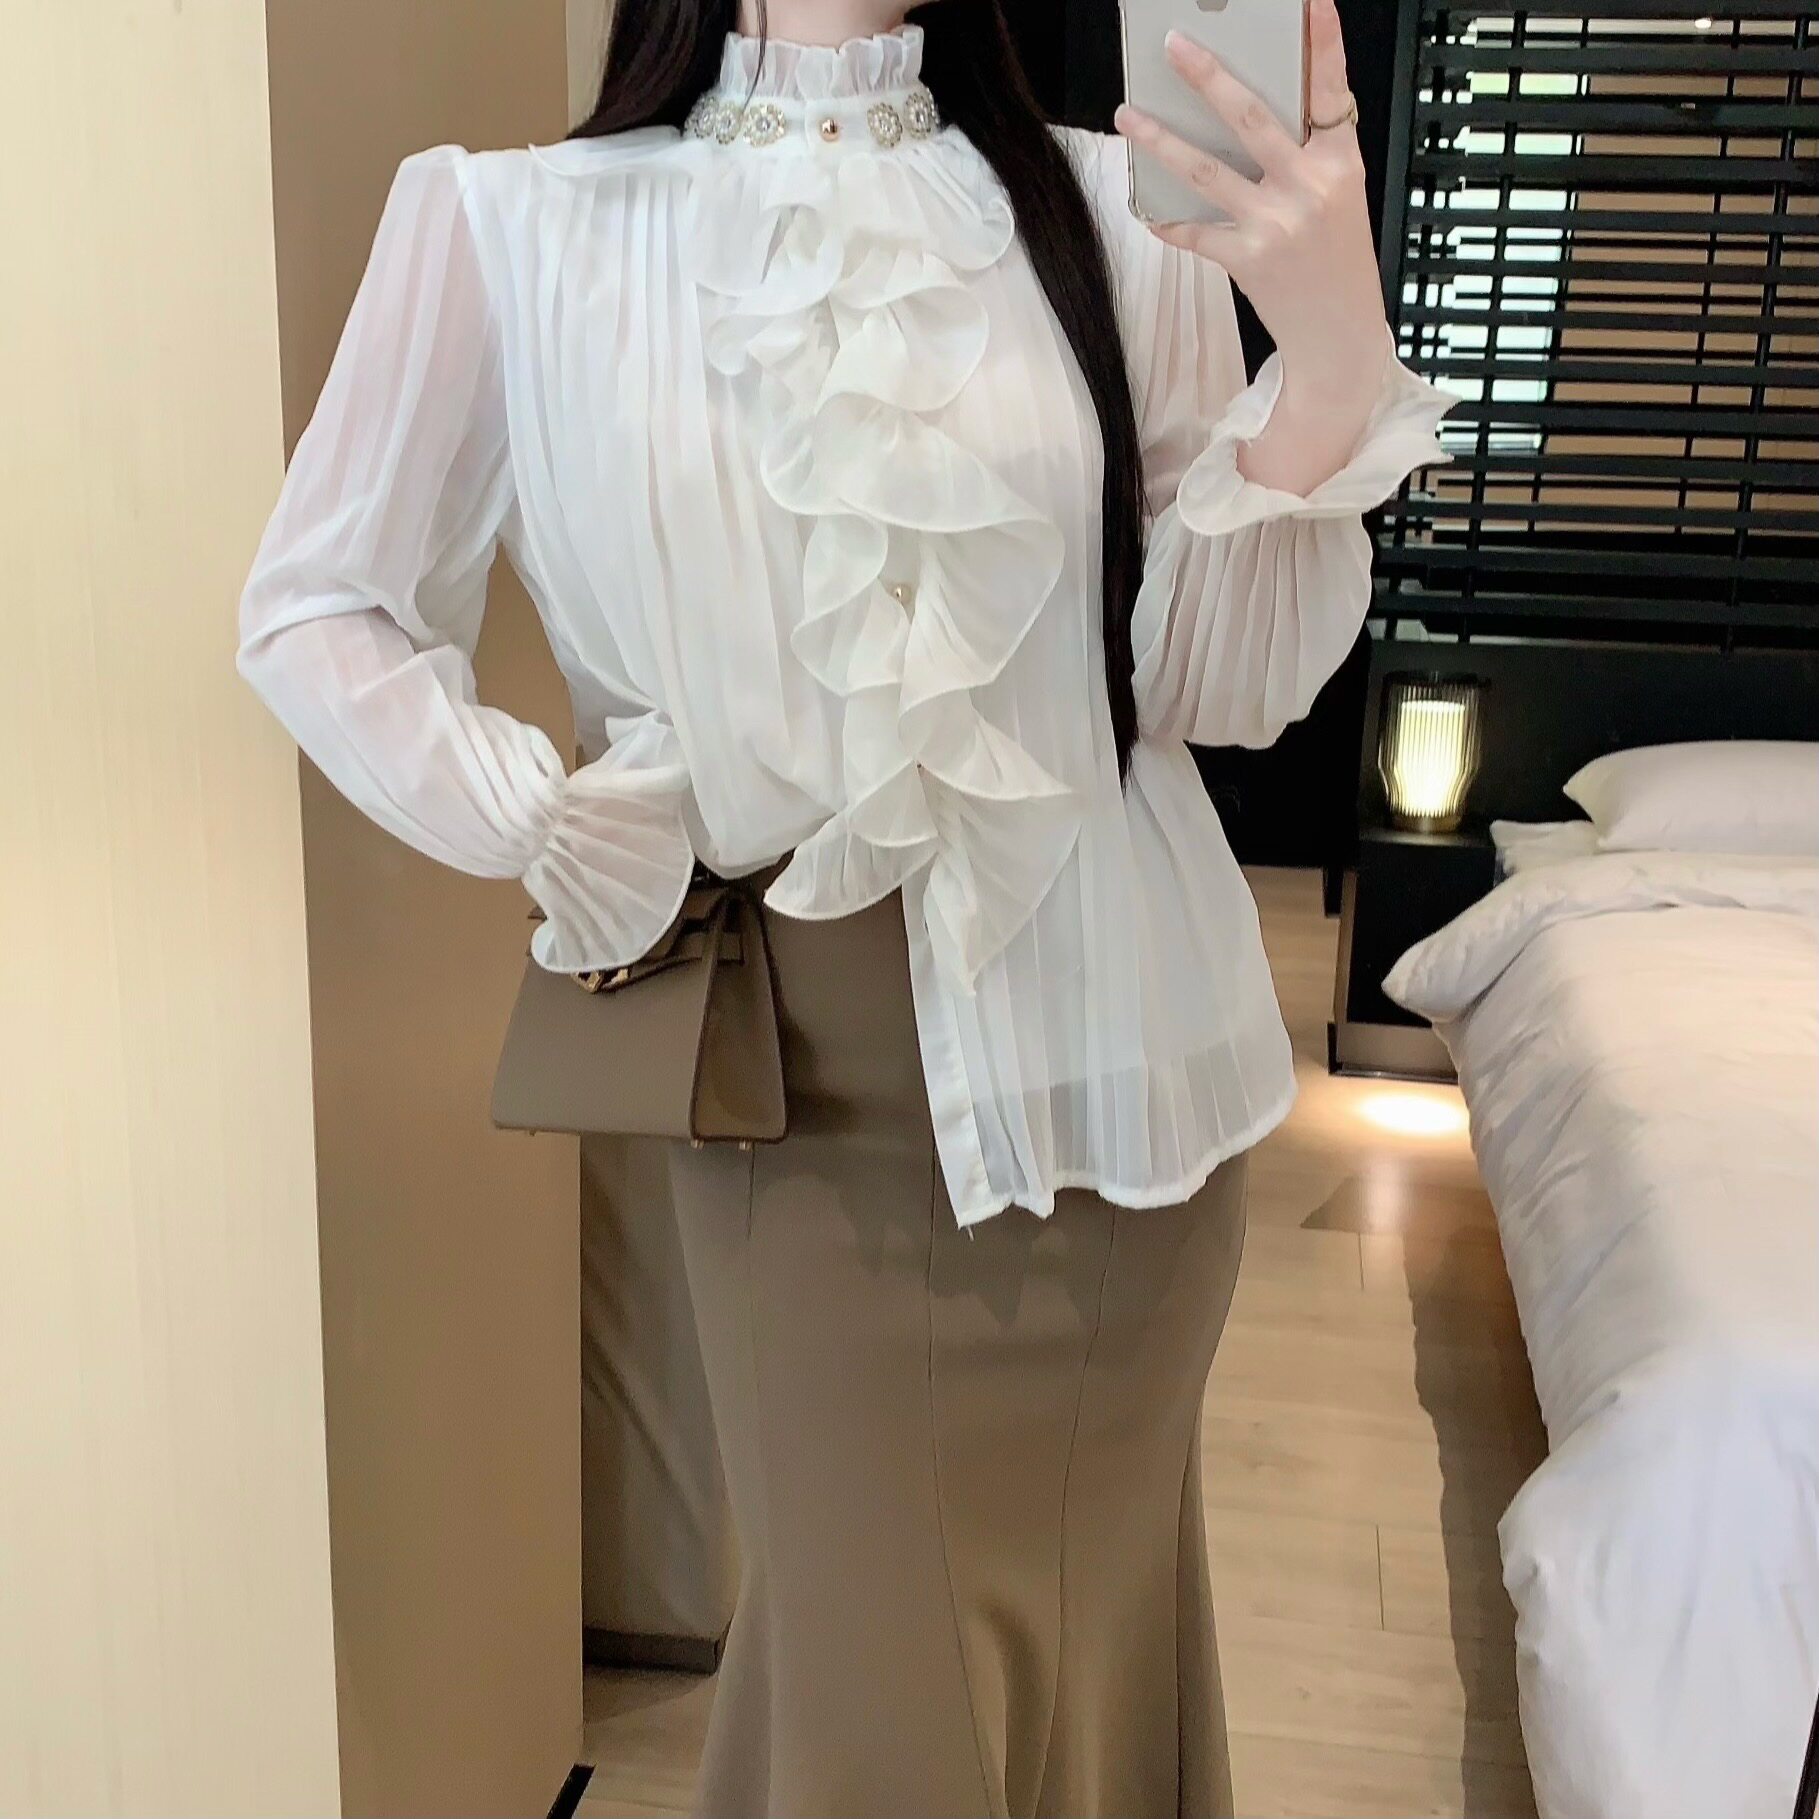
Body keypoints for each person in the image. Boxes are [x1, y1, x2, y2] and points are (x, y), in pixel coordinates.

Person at [236, 1, 1452, 1813]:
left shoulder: (1120, 215)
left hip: (1126, 1070)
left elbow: (1208, 683)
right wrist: (535, 814)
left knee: (1095, 1639)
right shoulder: (510, 226)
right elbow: (315, 606)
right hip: (803, 1097)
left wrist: (1337, 349)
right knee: (871, 1692)